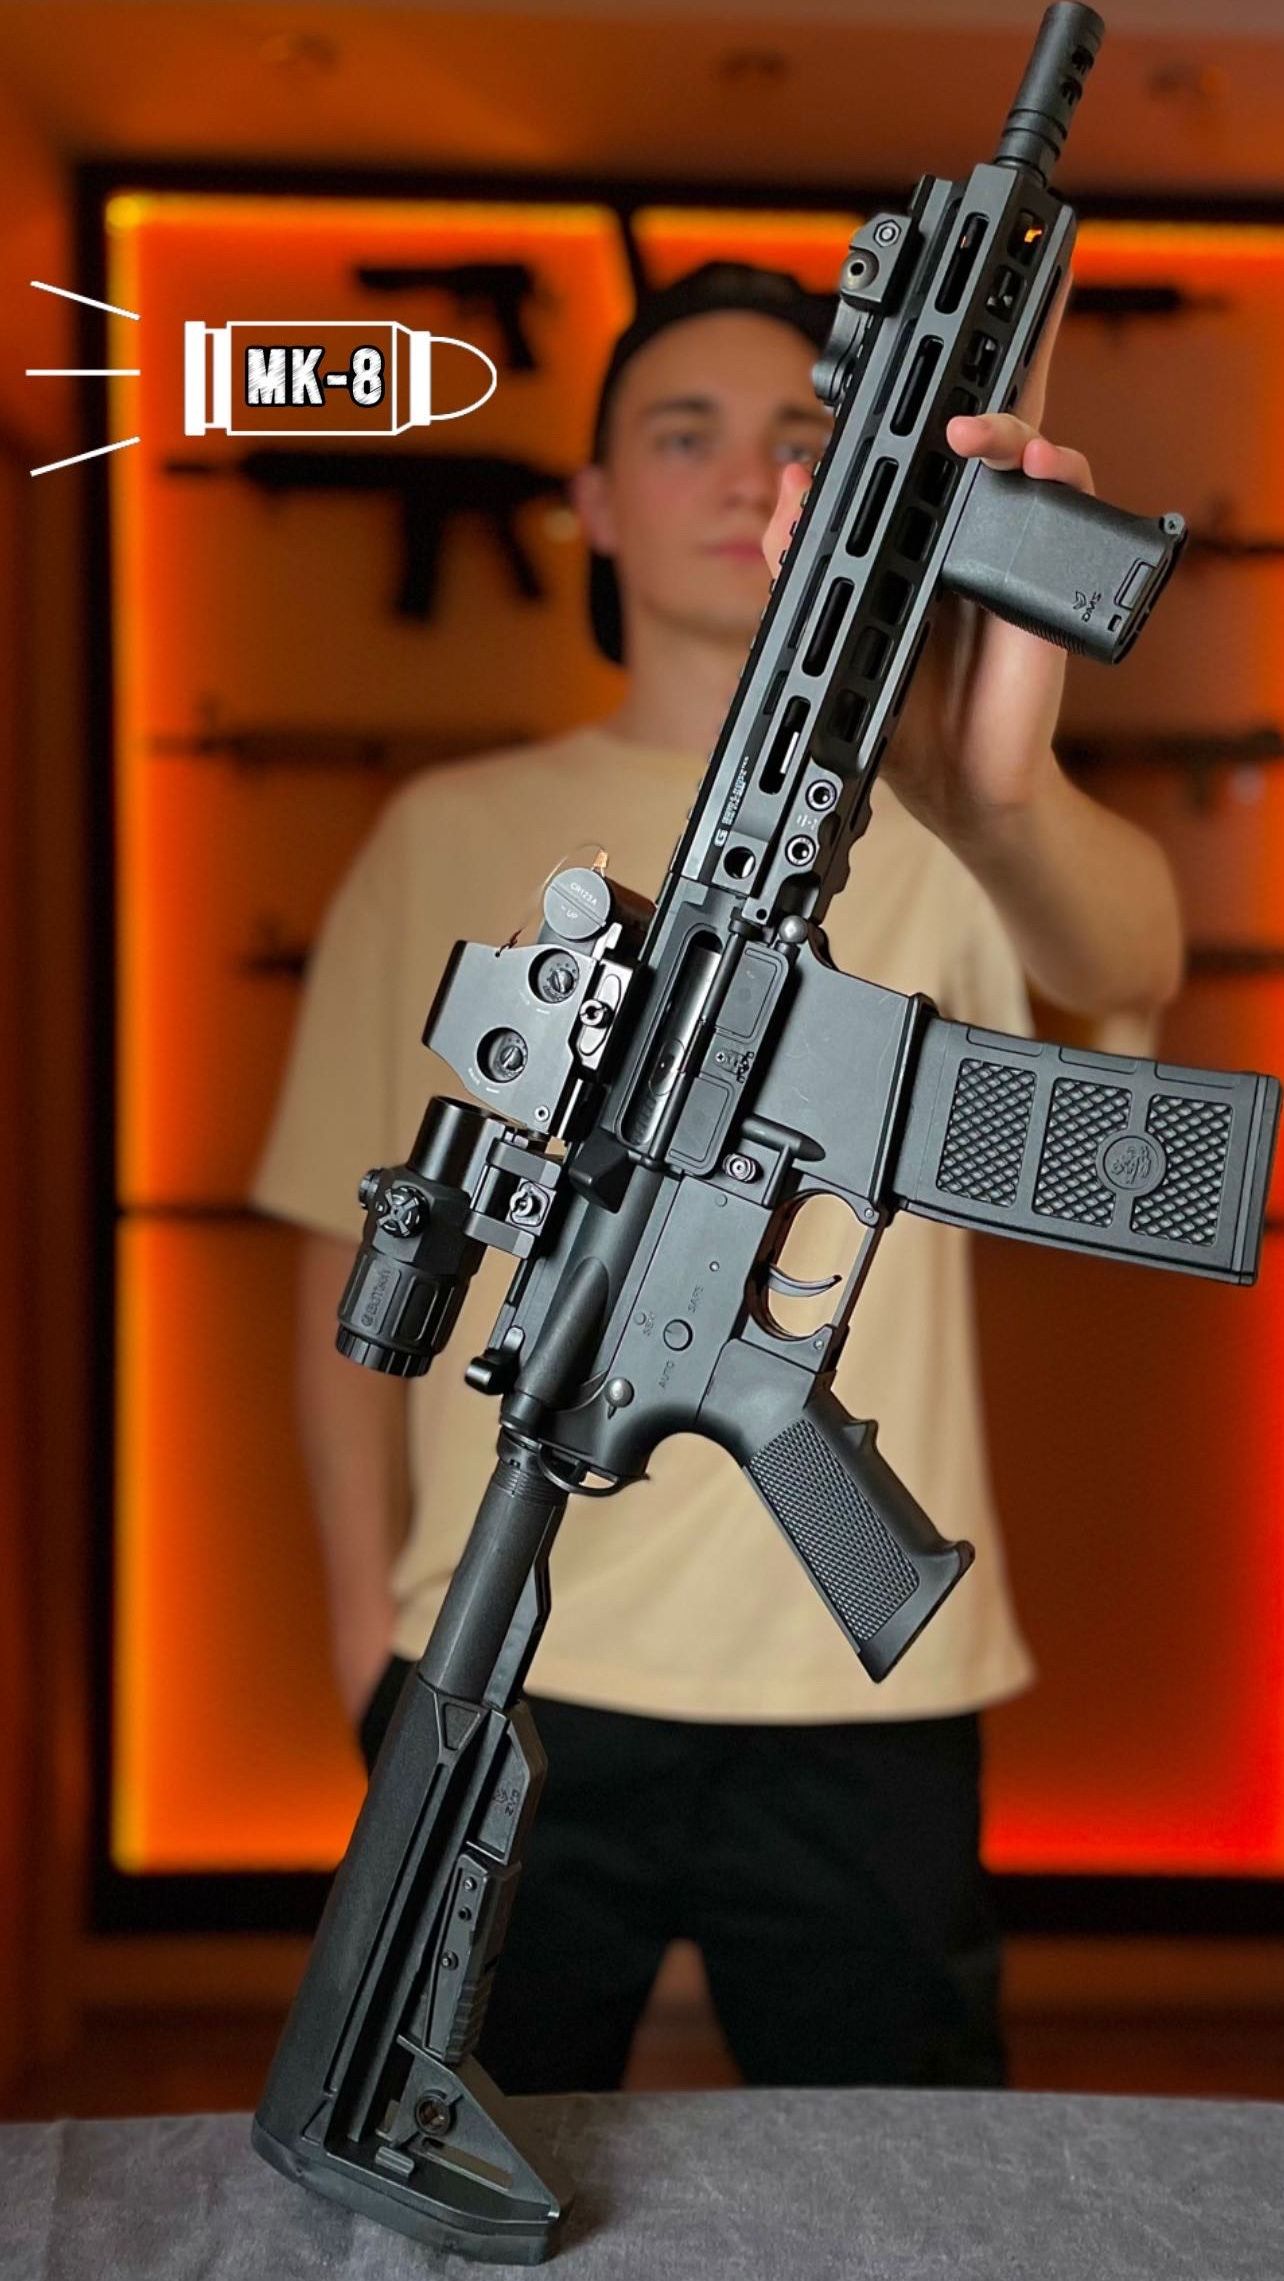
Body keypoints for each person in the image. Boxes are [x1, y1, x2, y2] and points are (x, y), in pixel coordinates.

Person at [252, 260, 1182, 2095]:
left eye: (793, 437)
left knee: (909, 2193)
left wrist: (992, 795)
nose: (743, 472)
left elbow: (1130, 963)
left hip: (859, 1695)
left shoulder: (936, 821)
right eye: (682, 435)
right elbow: (342, 1258)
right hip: (511, 1659)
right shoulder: (443, 831)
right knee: (456, 2134)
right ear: (595, 503)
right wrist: (375, 1643)